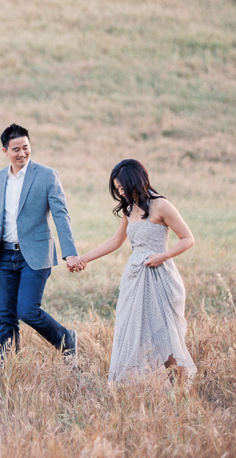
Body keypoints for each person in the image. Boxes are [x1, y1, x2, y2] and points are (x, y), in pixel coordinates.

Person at [76, 159, 196, 382]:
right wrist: (83, 259)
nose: (120, 193)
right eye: (117, 189)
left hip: (161, 278)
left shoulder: (161, 205)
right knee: (132, 332)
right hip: (134, 279)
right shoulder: (129, 209)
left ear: (135, 181)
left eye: (122, 187)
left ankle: (181, 390)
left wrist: (163, 255)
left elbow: (188, 239)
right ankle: (130, 387)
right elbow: (115, 241)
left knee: (166, 336)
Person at [0, 123, 84, 360]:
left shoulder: (47, 175)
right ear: (5, 151)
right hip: (4, 256)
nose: (22, 153)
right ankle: (9, 368)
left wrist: (69, 252)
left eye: (26, 148)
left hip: (36, 255)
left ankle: (66, 339)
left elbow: (61, 214)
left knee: (27, 311)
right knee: (6, 316)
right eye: (16, 149)